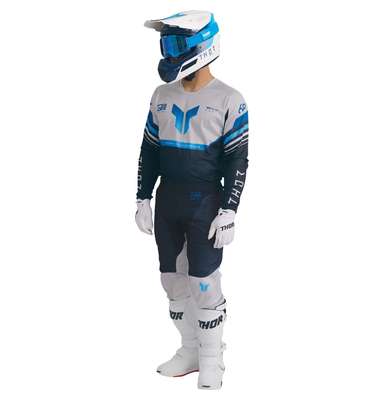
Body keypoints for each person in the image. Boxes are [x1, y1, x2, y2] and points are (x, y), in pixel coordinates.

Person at [135, 10, 249, 390]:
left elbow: (237, 158)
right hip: (168, 201)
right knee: (171, 280)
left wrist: (229, 209)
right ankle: (189, 350)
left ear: (203, 45)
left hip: (205, 203)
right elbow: (149, 150)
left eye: (176, 44)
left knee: (203, 282)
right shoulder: (161, 96)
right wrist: (142, 197)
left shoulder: (230, 99)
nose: (169, 53)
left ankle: (212, 359)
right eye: (165, 44)